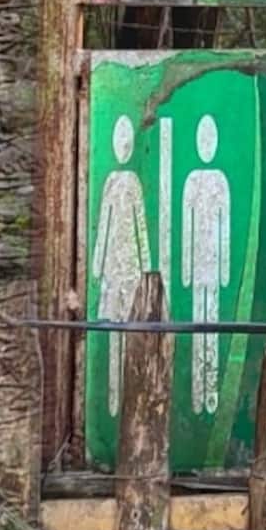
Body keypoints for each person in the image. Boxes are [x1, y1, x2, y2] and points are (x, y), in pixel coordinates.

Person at [90, 116, 150, 415]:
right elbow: (104, 224)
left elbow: (141, 225)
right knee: (114, 328)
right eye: (119, 140)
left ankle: (128, 399)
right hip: (114, 266)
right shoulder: (111, 182)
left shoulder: (134, 183)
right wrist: (98, 265)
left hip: (132, 269)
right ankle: (114, 400)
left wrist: (147, 268)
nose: (123, 147)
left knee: (131, 330)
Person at [181, 113, 232, 414]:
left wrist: (224, 270)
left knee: (213, 324)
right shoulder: (191, 181)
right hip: (198, 263)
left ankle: (210, 391)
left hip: (213, 268)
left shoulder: (221, 182)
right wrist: (186, 269)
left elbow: (224, 225)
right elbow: (187, 227)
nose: (206, 145)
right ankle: (196, 393)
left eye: (210, 140)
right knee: (194, 323)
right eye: (203, 139)